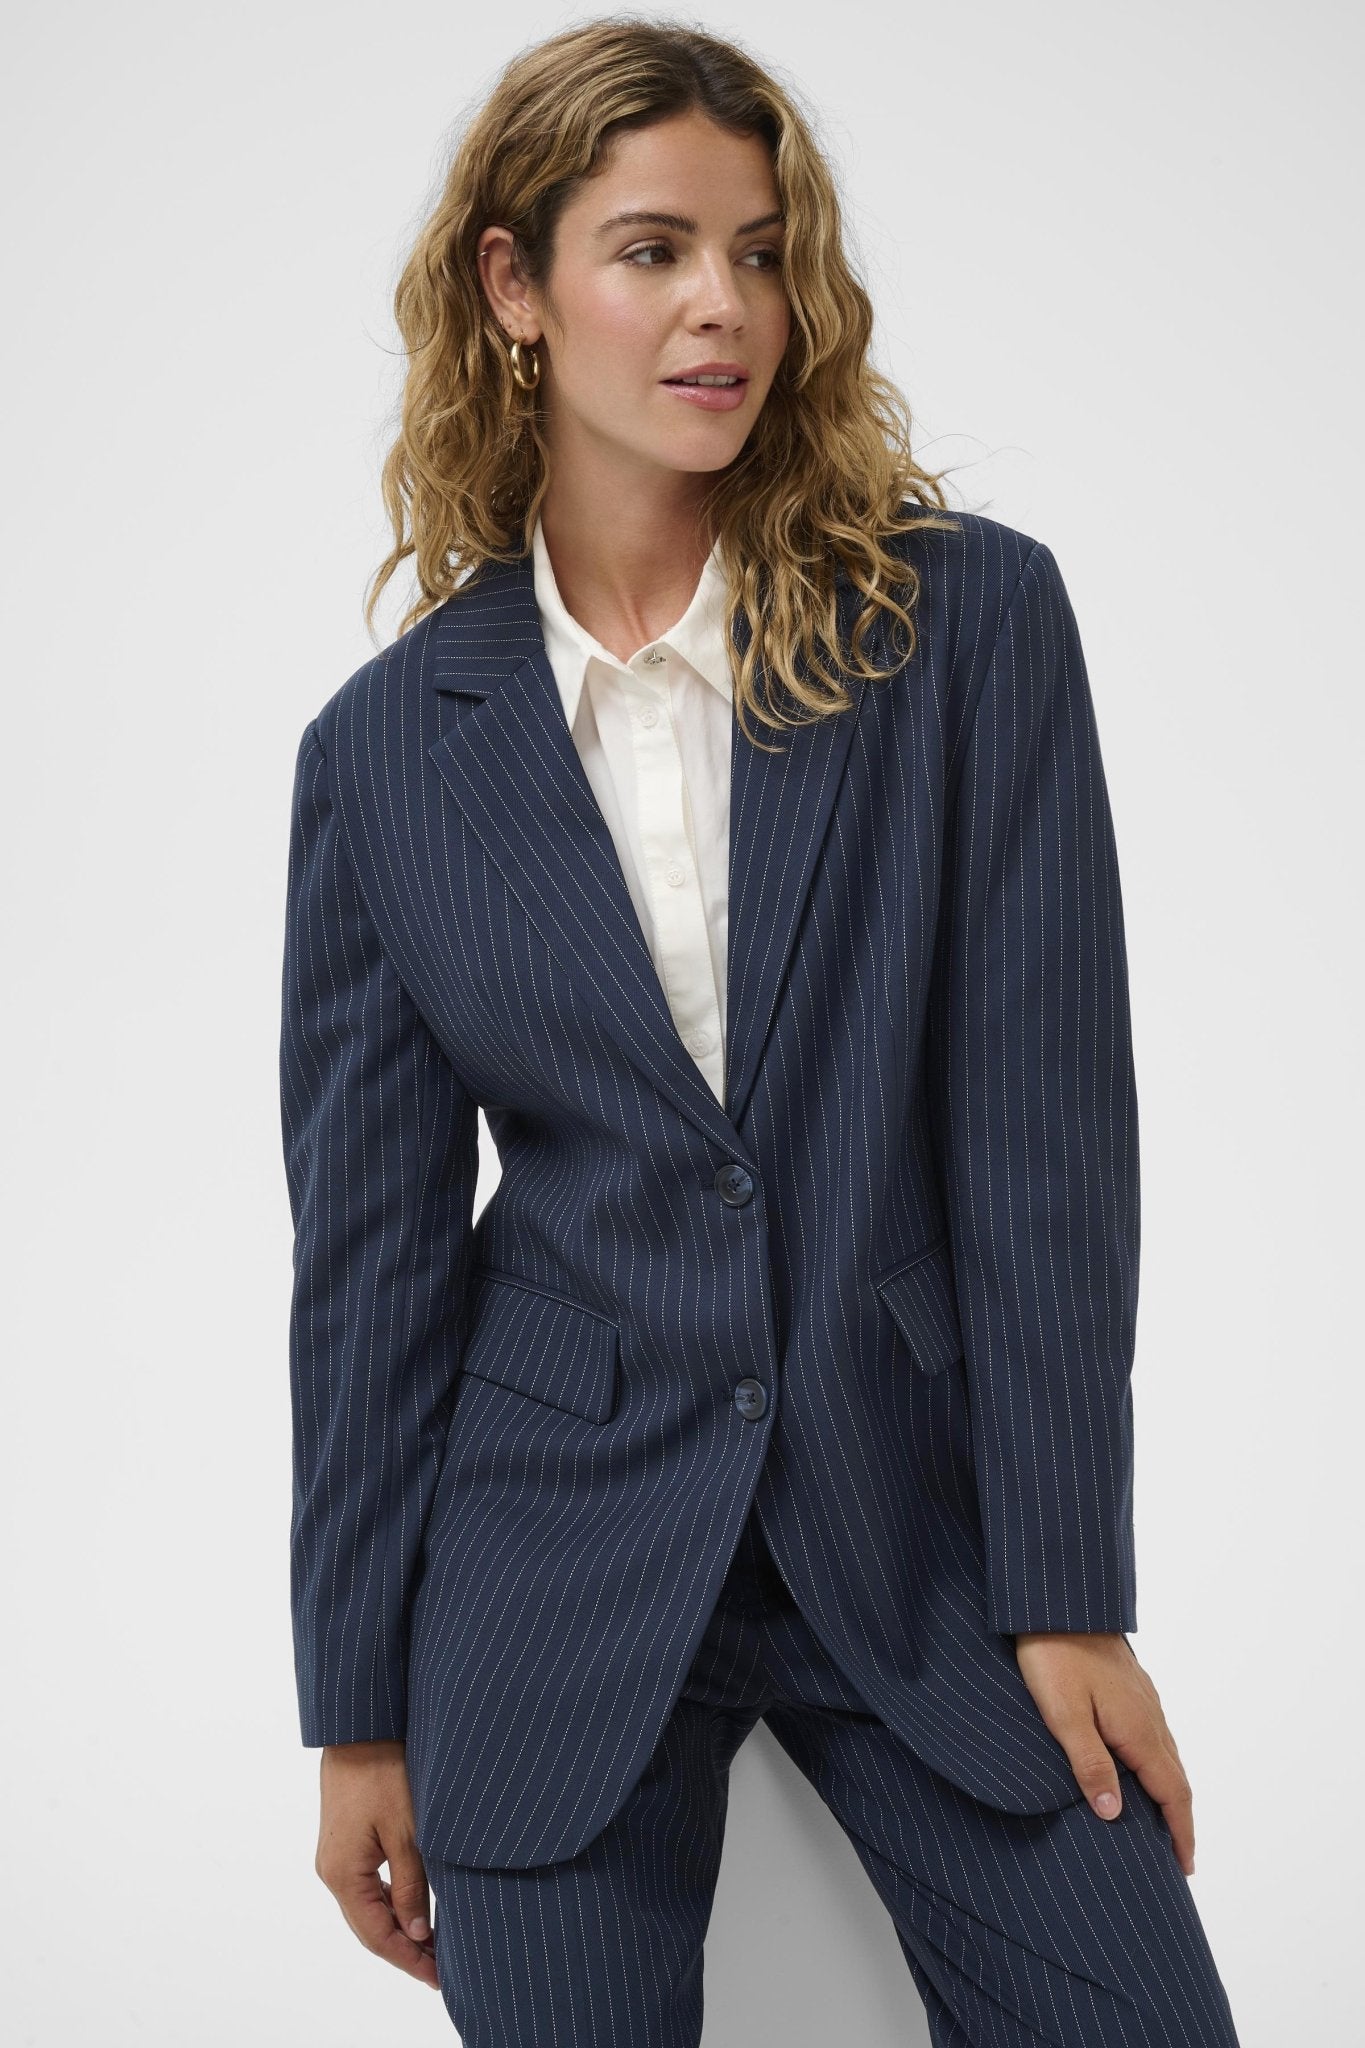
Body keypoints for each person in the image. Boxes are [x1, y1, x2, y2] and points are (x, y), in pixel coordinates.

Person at [278, 18, 1242, 2044]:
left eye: (760, 251)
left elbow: (1041, 1138)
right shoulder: (386, 757)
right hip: (546, 1567)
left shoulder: (963, 629)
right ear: (513, 287)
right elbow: (369, 1260)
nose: (722, 305)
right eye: (651, 251)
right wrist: (354, 1708)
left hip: (908, 1537)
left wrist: (1067, 1589)